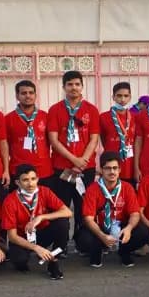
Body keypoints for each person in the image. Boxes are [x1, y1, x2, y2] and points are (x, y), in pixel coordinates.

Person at [47, 70, 100, 237]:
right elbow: (54, 141)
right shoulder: (55, 109)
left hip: (86, 167)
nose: (74, 88)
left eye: (77, 84)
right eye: (69, 84)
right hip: (62, 168)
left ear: (82, 86)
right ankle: (60, 244)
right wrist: (73, 160)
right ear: (64, 87)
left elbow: (94, 139)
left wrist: (82, 161)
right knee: (61, 206)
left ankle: (82, 241)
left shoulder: (91, 110)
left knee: (84, 206)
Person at [76, 152, 147, 267]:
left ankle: (124, 252)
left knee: (143, 232)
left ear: (119, 170)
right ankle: (97, 252)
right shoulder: (92, 189)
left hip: (121, 226)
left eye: (115, 168)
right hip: (101, 227)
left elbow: (135, 213)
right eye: (108, 168)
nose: (112, 172)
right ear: (101, 170)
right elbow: (88, 219)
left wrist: (129, 228)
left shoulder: (127, 187)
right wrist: (101, 235)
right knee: (84, 239)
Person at [2, 164, 72, 280]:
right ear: (17, 183)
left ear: (38, 179)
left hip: (42, 233)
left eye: (33, 179)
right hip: (22, 238)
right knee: (20, 262)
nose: (30, 184)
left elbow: (68, 212)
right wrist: (36, 248)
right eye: (25, 180)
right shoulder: (10, 201)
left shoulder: (45, 191)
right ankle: (35, 254)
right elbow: (12, 236)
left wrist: (42, 217)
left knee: (63, 223)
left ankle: (53, 259)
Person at [5, 80, 54, 186]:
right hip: (18, 172)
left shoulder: (46, 117)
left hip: (44, 171)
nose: (28, 96)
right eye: (23, 93)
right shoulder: (8, 119)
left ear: (36, 95)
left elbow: (54, 142)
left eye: (31, 93)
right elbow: (5, 147)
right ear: (17, 96)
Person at [100, 82, 137, 185]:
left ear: (130, 97)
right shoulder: (103, 117)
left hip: (130, 164)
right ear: (113, 97)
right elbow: (103, 139)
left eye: (126, 96)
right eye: (119, 96)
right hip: (111, 164)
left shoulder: (135, 117)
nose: (122, 99)